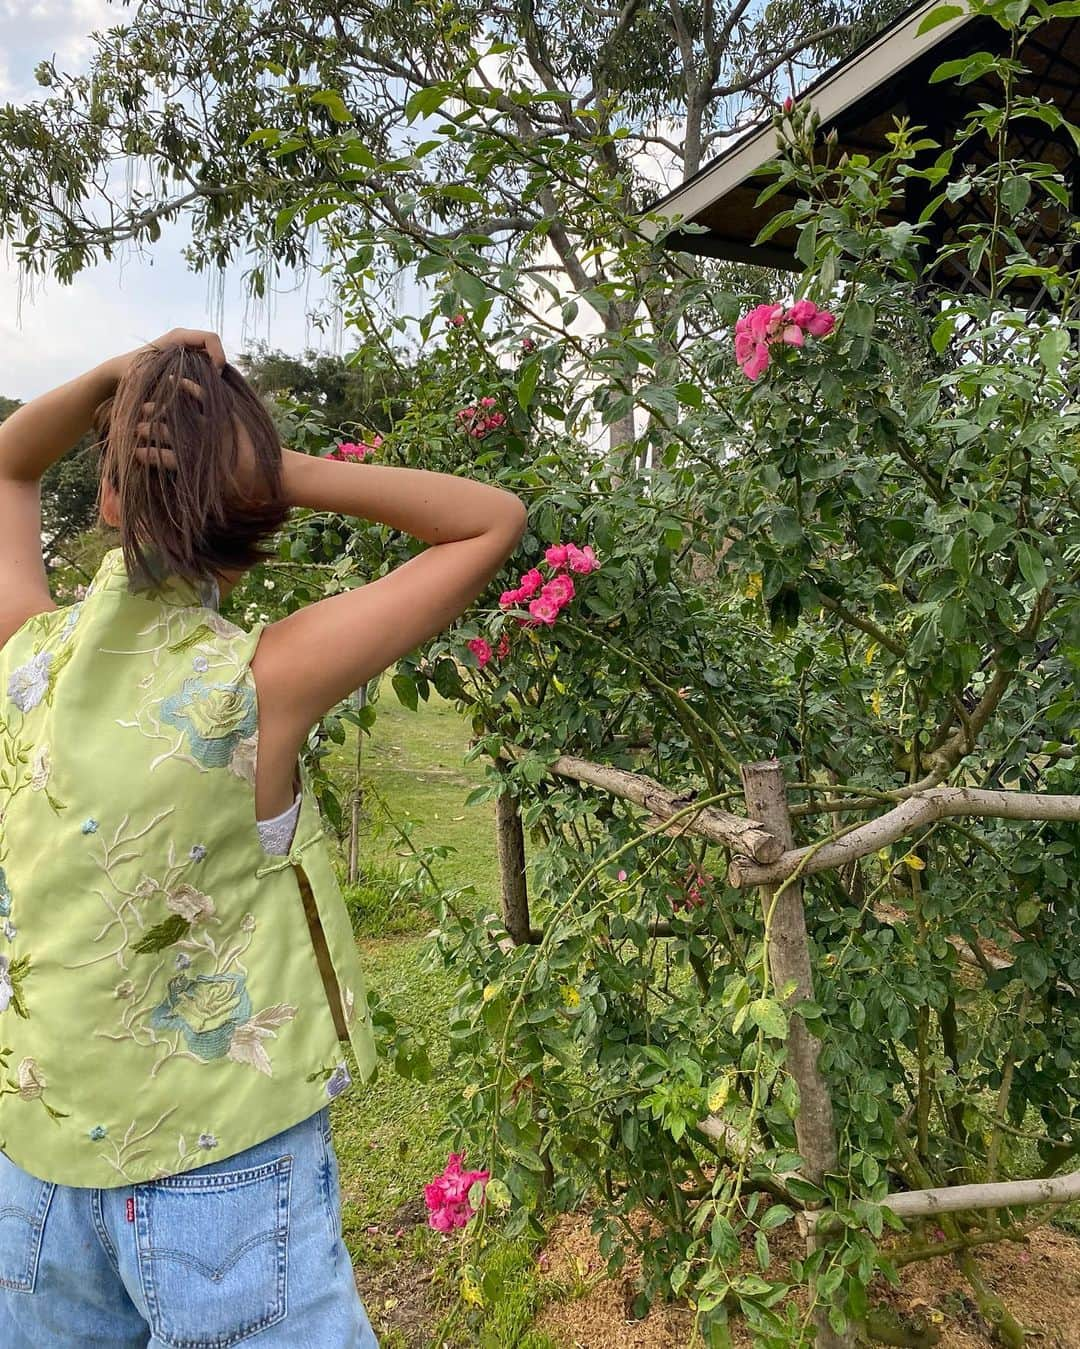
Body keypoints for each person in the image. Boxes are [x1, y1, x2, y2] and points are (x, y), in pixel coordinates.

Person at [0, 327, 527, 1348]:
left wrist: (116, 381)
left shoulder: (23, 661)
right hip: (220, 1163)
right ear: (255, 511)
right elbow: (489, 522)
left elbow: (10, 459)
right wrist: (270, 468)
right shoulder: (259, 682)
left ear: (107, 499)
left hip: (34, 1161)